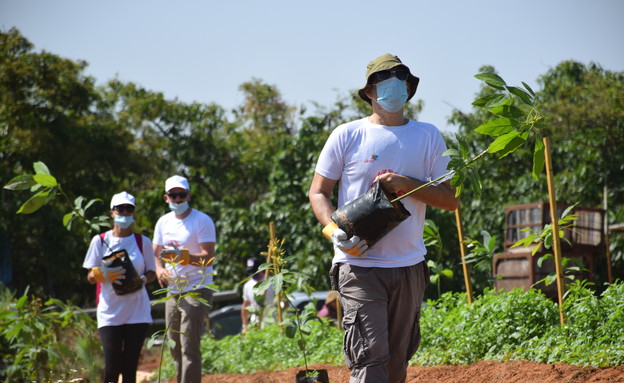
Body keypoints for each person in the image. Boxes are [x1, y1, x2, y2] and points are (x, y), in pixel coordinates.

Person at [308, 53, 459, 383]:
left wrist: (404, 184)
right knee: (369, 357)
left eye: (400, 77)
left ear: (409, 88)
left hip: (409, 266)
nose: (394, 84)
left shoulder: (428, 135)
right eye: (383, 78)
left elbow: (451, 200)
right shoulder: (347, 135)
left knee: (396, 364)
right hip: (358, 265)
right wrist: (333, 231)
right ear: (370, 92)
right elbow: (318, 192)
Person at [83, 191, 156, 383]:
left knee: (130, 367)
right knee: (112, 366)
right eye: (120, 209)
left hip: (137, 311)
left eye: (129, 209)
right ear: (112, 212)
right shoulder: (99, 241)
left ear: (133, 213)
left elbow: (152, 273)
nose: (124, 213)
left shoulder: (143, 242)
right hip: (110, 311)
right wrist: (103, 274)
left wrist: (140, 280)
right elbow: (90, 276)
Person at [152, 175, 216, 383]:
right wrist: (159, 269)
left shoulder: (202, 220)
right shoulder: (163, 222)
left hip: (197, 288)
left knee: (189, 346)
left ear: (189, 196)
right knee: (174, 347)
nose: (177, 199)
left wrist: (185, 257)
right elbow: (155, 254)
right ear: (166, 198)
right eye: (173, 195)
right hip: (173, 290)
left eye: (181, 195)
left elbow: (209, 257)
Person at [240, 256, 276, 333]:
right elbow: (245, 306)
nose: (253, 274)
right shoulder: (247, 286)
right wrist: (244, 326)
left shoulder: (272, 282)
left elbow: (283, 302)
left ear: (261, 269)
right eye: (251, 272)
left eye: (254, 271)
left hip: (273, 323)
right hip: (255, 324)